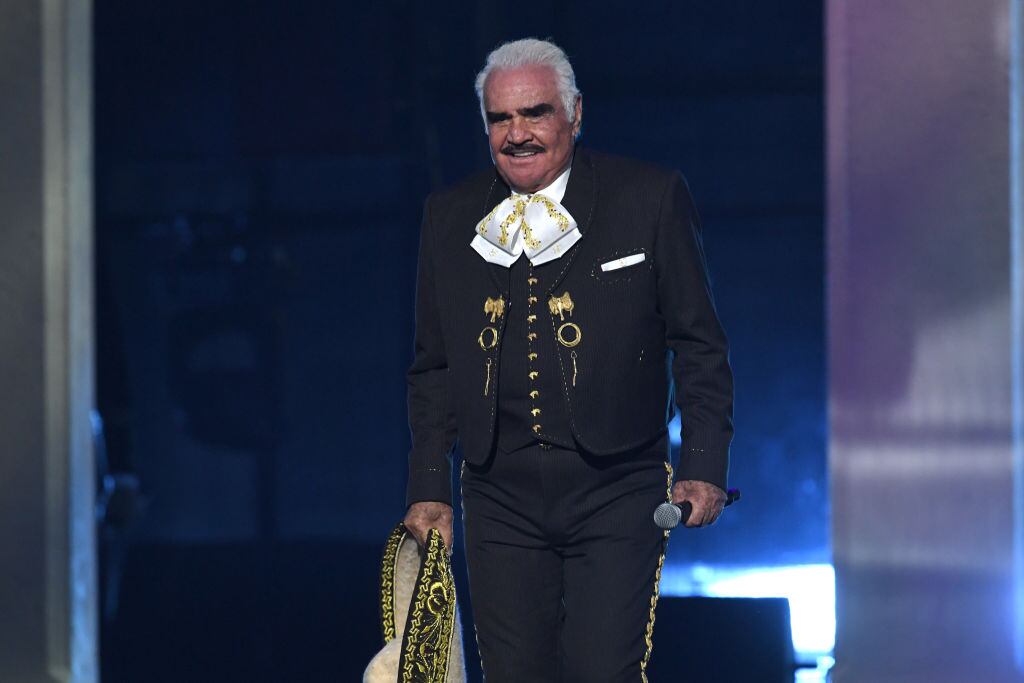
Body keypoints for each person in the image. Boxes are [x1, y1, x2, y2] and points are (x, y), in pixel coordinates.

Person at [402, 37, 734, 682]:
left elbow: (698, 341)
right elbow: (433, 366)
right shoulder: (448, 216)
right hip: (498, 494)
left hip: (618, 484)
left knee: (602, 673)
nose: (517, 134)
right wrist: (428, 488)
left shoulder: (649, 197)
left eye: (536, 113)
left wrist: (702, 465)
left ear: (575, 114)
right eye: (500, 119)